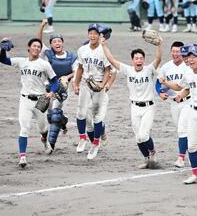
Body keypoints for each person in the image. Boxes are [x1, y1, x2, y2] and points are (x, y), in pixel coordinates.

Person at [160, 45, 197, 185]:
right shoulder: (188, 73)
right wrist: (179, 95)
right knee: (191, 145)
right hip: (193, 110)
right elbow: (183, 88)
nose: (190, 60)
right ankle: (195, 173)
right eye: (188, 57)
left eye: (193, 57)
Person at [101, 34, 162, 168]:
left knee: (144, 135)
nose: (139, 60)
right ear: (132, 60)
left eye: (141, 58)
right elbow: (111, 60)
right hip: (134, 107)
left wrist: (158, 45)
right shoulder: (128, 70)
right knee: (138, 137)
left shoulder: (149, 70)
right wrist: (104, 45)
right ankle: (147, 159)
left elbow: (158, 58)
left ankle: (152, 152)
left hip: (148, 107)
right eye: (136, 58)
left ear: (144, 60)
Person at [0, 37, 57, 168]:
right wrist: (3, 50)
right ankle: (23, 157)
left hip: (41, 100)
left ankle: (44, 140)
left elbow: (54, 81)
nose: (36, 48)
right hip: (25, 99)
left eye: (39, 47)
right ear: (29, 48)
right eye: (34, 46)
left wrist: (51, 92)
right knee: (24, 129)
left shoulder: (44, 64)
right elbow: (3, 60)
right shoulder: (21, 61)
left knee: (43, 129)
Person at [72, 24, 111, 160]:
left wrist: (103, 84)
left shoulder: (104, 50)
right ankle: (82, 138)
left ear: (100, 36)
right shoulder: (82, 50)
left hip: (98, 86)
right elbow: (80, 68)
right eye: (91, 33)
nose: (92, 36)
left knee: (97, 117)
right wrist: (76, 83)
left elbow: (108, 70)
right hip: (85, 84)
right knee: (81, 112)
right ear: (88, 34)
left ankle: (95, 143)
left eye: (95, 33)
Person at [37, 19, 77, 153]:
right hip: (48, 88)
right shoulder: (48, 54)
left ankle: (51, 144)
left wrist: (67, 77)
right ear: (51, 45)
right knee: (50, 116)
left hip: (62, 89)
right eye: (54, 41)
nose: (57, 43)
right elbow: (37, 43)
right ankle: (64, 121)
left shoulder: (72, 57)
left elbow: (76, 71)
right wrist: (42, 26)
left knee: (55, 116)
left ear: (63, 43)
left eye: (59, 41)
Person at [158, 41, 190, 167]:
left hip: (189, 102)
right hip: (174, 104)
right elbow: (158, 82)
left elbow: (178, 86)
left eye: (178, 51)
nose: (175, 54)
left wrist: (166, 84)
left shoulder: (188, 66)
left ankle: (181, 158)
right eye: (174, 51)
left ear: (183, 52)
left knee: (183, 130)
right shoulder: (166, 67)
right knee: (183, 131)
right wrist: (160, 92)